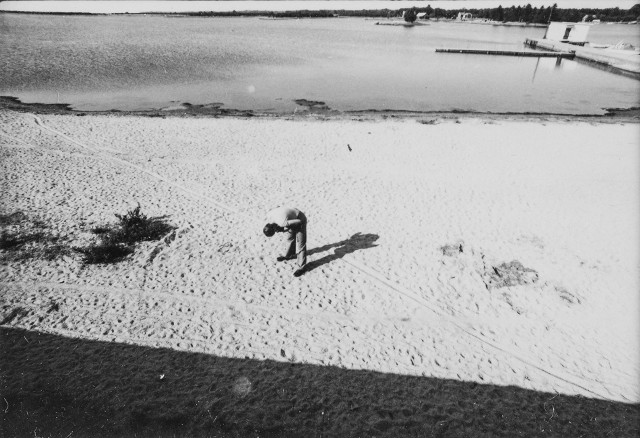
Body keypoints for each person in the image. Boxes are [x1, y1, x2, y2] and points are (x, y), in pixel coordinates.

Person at [263, 206, 307, 277]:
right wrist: (285, 227)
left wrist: (284, 229)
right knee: (290, 239)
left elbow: (299, 222)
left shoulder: (283, 223)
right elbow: (277, 207)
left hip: (300, 218)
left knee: (301, 244)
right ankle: (289, 255)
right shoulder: (269, 215)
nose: (277, 232)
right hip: (291, 215)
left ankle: (301, 268)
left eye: (276, 231)